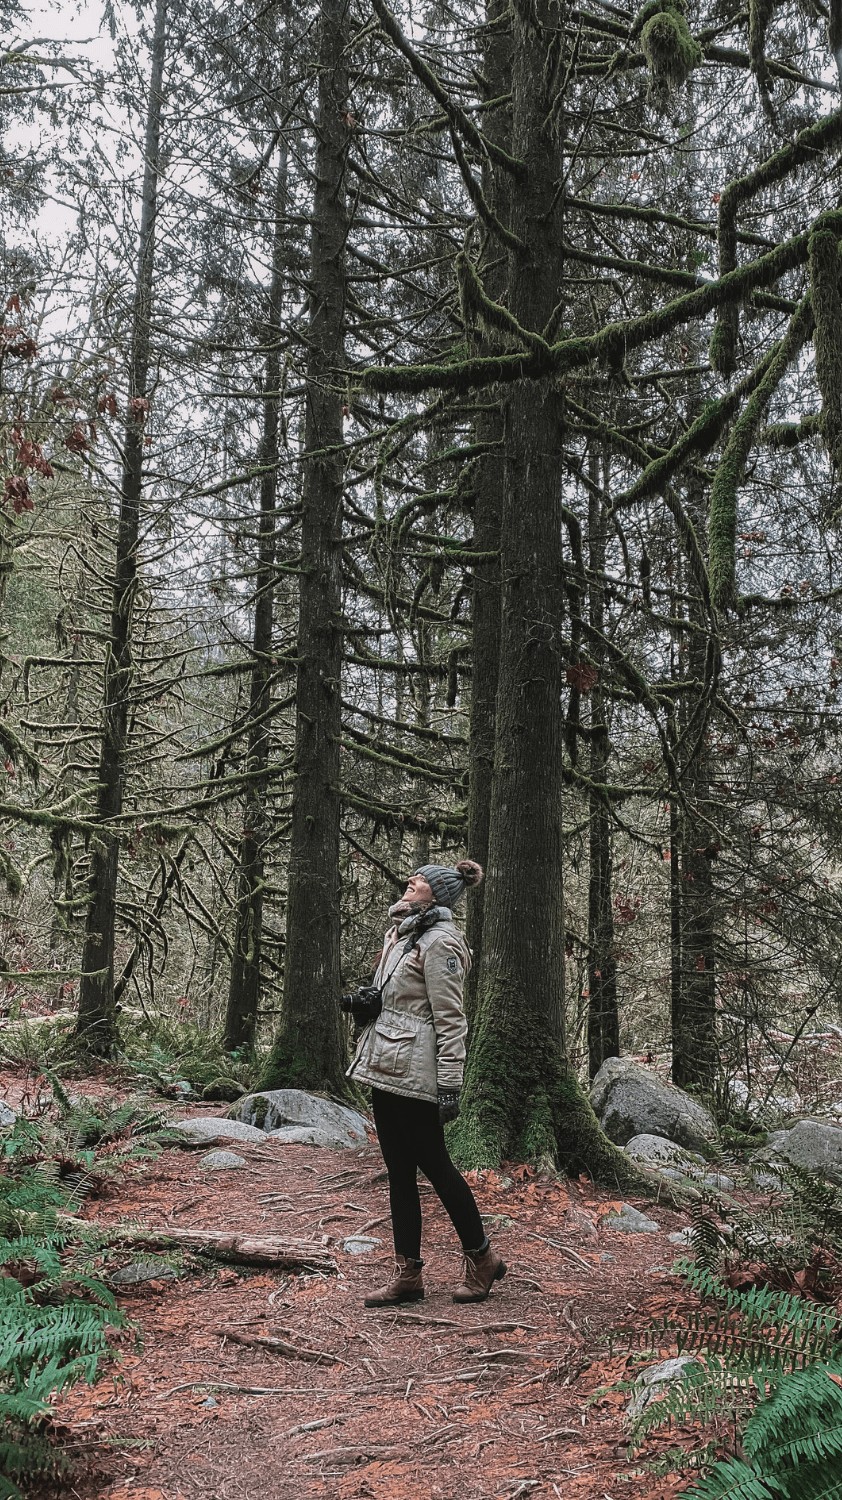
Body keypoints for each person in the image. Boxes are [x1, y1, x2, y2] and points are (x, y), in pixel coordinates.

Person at [346, 859, 507, 1306]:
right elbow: (399, 1000)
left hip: (418, 1073)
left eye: (416, 882)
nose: (408, 884)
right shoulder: (402, 935)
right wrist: (367, 1007)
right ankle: (408, 1274)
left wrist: (451, 1084)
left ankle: (483, 1258)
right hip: (386, 1064)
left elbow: (451, 1019)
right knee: (398, 1171)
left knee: (435, 1166)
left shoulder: (441, 944)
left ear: (434, 894)